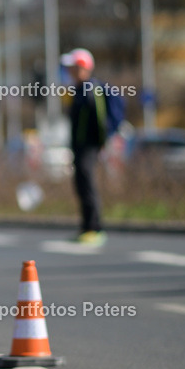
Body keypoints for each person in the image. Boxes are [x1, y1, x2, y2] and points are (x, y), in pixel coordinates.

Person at [62, 48, 123, 245]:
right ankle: (86, 226)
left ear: (83, 68)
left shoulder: (91, 89)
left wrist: (101, 141)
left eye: (73, 67)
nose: (69, 70)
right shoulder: (78, 89)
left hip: (88, 146)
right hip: (80, 146)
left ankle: (94, 228)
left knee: (87, 184)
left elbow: (99, 118)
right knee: (81, 184)